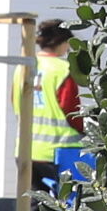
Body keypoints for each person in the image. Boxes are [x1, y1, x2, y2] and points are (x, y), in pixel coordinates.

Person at [26, 19, 80, 181]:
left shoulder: (26, 66)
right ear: (62, 42)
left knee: (32, 196)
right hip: (60, 151)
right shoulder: (63, 69)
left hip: (28, 149)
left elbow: (16, 102)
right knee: (66, 196)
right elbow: (72, 111)